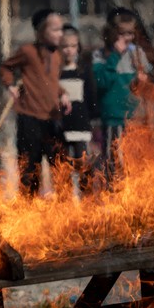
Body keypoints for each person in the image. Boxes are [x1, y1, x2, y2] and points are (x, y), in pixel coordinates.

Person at [0, 8, 71, 196]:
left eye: (62, 29)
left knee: (60, 165)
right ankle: (28, 211)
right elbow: (7, 67)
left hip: (52, 118)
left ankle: (65, 212)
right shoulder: (27, 51)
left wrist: (62, 93)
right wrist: (10, 85)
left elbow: (50, 82)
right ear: (41, 32)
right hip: (29, 117)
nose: (60, 34)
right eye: (55, 30)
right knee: (30, 167)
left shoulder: (58, 56)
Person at [92, 7, 152, 182]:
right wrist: (115, 56)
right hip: (114, 118)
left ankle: (133, 201)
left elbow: (147, 84)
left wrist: (143, 80)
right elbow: (101, 82)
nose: (128, 38)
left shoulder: (137, 54)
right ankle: (114, 199)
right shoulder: (102, 55)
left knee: (134, 162)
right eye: (122, 33)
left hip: (135, 118)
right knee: (114, 162)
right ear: (111, 33)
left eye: (130, 34)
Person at [59, 24, 96, 194]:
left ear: (78, 47)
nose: (69, 50)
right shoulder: (56, 73)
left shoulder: (83, 71)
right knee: (64, 165)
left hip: (80, 124)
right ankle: (66, 203)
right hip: (62, 126)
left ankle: (86, 198)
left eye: (73, 46)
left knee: (83, 163)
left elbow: (90, 97)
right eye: (65, 46)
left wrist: (92, 120)